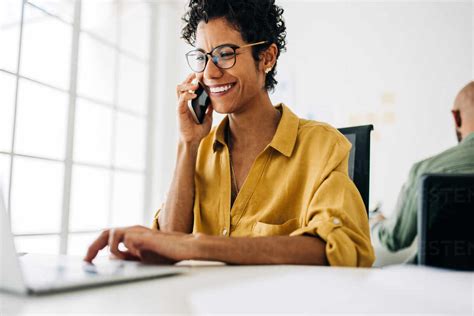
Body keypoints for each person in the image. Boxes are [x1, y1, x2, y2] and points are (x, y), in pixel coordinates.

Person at [84, 0, 374, 267]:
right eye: (202, 57)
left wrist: (199, 246)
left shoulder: (321, 146)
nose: (210, 72)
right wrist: (188, 143)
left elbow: (342, 250)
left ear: (267, 57)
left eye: (225, 54)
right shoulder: (200, 149)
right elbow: (169, 243)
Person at [372, 81, 474, 261]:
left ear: (456, 117)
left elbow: (394, 240)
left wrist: (375, 223)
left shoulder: (426, 170)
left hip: (436, 285)